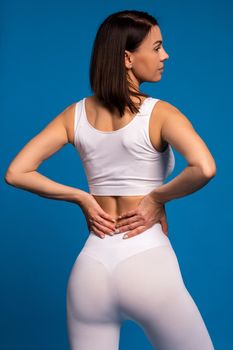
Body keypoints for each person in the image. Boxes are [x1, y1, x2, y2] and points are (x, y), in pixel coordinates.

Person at [4, 9, 216, 350]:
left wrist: (82, 197)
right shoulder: (160, 113)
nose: (165, 55)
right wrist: (157, 199)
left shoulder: (74, 115)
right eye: (157, 47)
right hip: (148, 265)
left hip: (91, 270)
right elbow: (204, 167)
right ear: (128, 58)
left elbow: (16, 172)